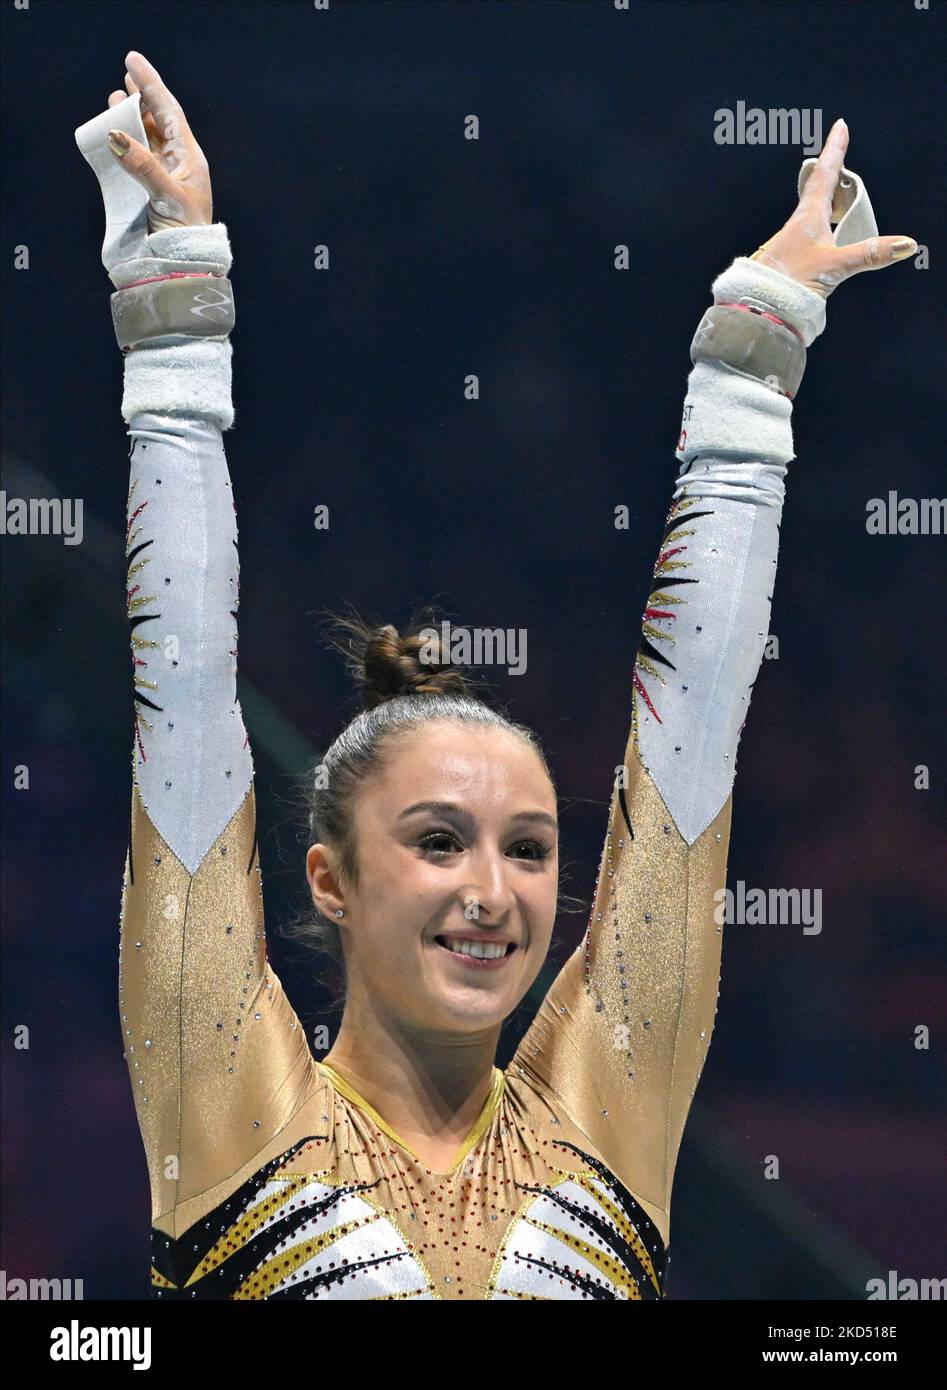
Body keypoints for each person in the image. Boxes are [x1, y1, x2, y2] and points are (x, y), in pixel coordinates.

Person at [95, 51, 916, 1300]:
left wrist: (756, 343)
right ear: (328, 878)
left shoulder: (607, 1118)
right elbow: (186, 693)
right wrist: (173, 316)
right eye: (438, 840)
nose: (493, 890)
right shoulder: (231, 1110)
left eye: (529, 848)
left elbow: (690, 736)